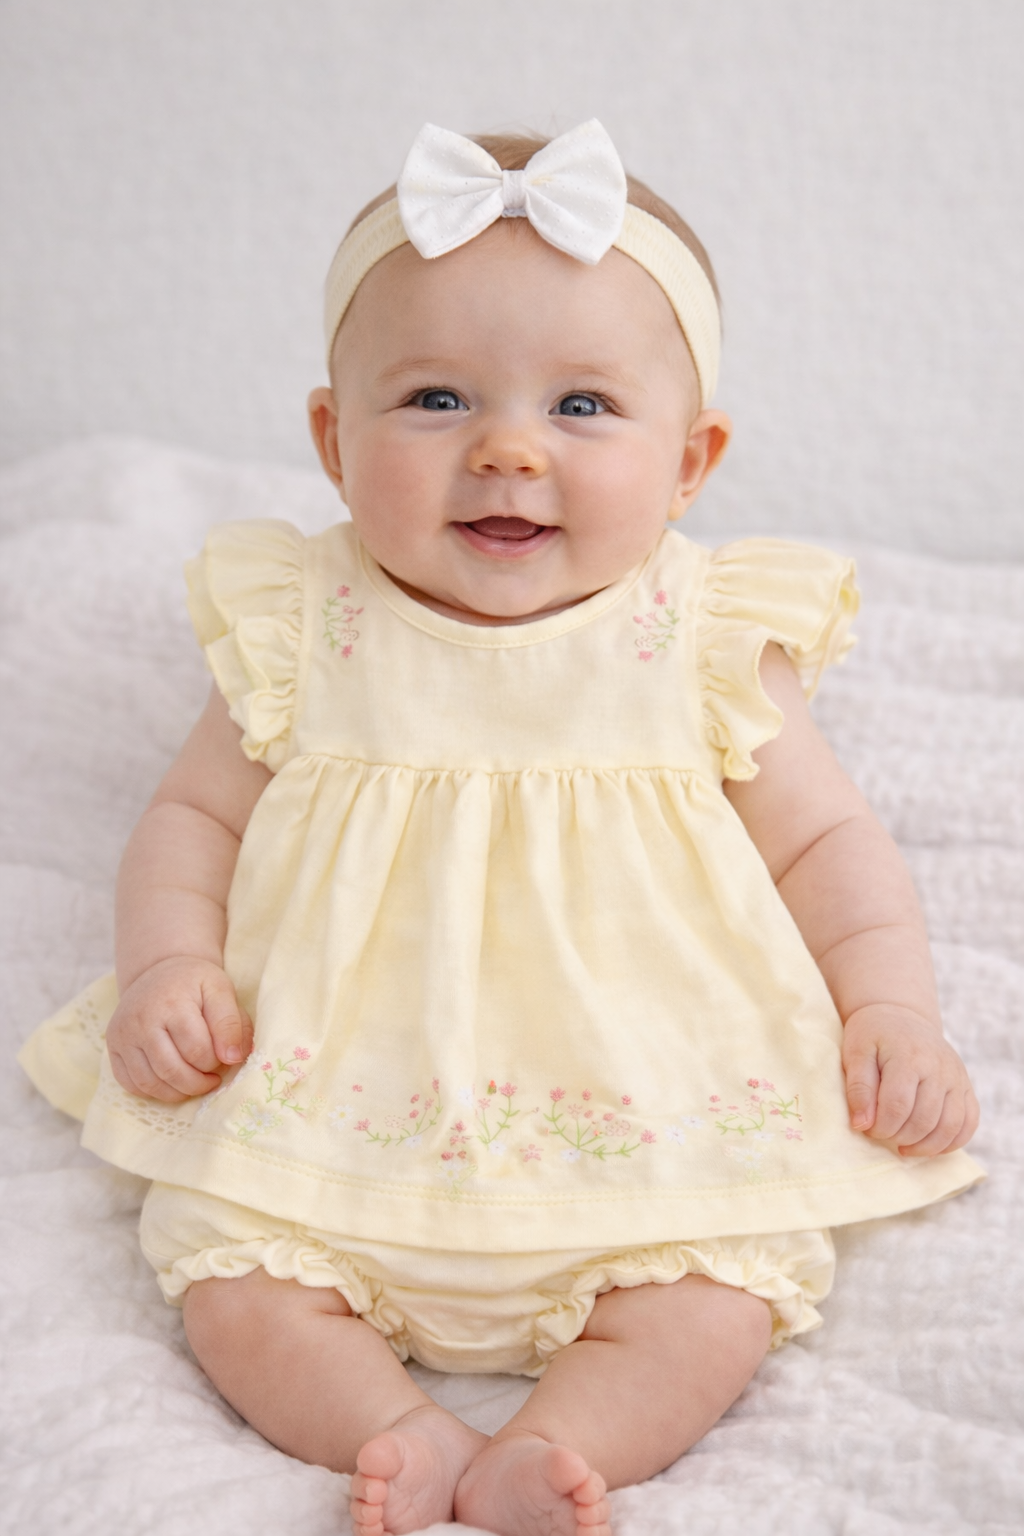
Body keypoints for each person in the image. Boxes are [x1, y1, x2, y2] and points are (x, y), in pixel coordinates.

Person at [19, 121, 983, 1536]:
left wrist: (893, 1006)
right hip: (333, 1094)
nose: (509, 449)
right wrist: (170, 964)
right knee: (241, 1284)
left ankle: (557, 1446)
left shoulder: (706, 634)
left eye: (583, 405)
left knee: (706, 1299)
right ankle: (394, 1432)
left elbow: (827, 845)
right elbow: (193, 817)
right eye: (436, 399)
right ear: (333, 443)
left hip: (645, 1104)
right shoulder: (306, 620)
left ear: (692, 461)